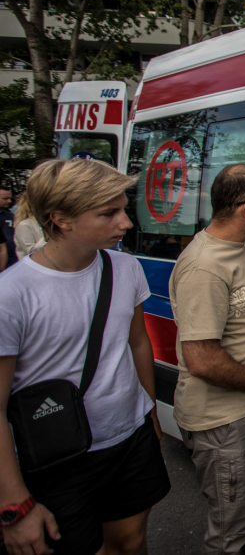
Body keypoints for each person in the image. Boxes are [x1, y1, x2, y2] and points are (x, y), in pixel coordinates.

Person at [0, 159, 169, 555]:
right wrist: (13, 503)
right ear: (61, 219)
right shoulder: (12, 294)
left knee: (130, 541)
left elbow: (137, 341)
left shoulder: (126, 268)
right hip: (58, 457)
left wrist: (149, 412)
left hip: (128, 438)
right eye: (108, 213)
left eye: (123, 209)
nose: (126, 223)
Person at [169, 164, 245, 555]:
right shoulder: (205, 266)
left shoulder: (237, 247)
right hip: (223, 423)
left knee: (244, 518)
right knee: (230, 535)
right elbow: (201, 360)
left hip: (244, 412)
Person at [13, 194, 46, 260]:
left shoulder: (45, 222)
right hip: (34, 265)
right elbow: (30, 251)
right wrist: (49, 235)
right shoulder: (24, 224)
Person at [0, 185, 15, 270]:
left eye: (10, 198)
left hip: (13, 262)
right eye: (5, 199)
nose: (9, 201)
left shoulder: (12, 217)